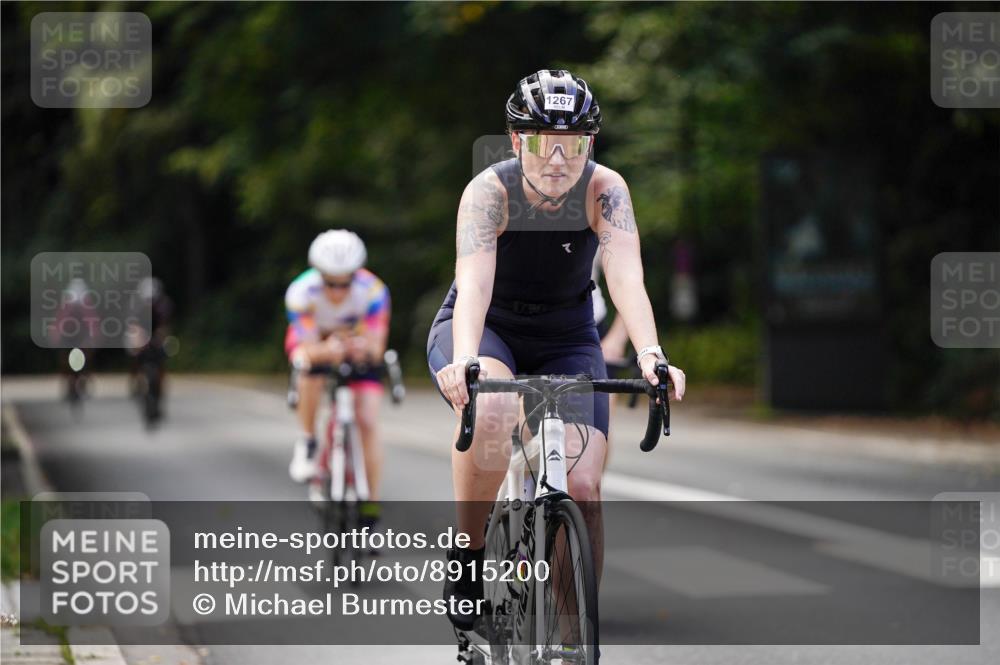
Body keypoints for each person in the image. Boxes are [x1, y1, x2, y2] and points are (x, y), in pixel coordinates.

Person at [427, 69, 686, 630]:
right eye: (544, 142)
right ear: (518, 140)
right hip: (487, 328)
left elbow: (625, 275)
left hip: (568, 335)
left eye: (574, 145)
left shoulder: (605, 190)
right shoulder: (489, 192)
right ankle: (469, 554)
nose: (558, 160)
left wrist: (650, 355)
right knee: (493, 412)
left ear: (589, 145)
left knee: (586, 486)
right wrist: (466, 358)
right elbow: (472, 282)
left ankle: (571, 633)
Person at [285, 230, 390, 525]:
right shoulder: (301, 292)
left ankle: (370, 503)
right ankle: (307, 440)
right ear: (318, 273)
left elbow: (376, 346)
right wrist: (328, 350)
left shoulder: (374, 291)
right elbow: (307, 345)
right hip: (317, 344)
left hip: (354, 347)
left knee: (368, 419)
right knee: (308, 367)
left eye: (345, 283)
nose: (338, 291)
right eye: (330, 282)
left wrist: (361, 348)